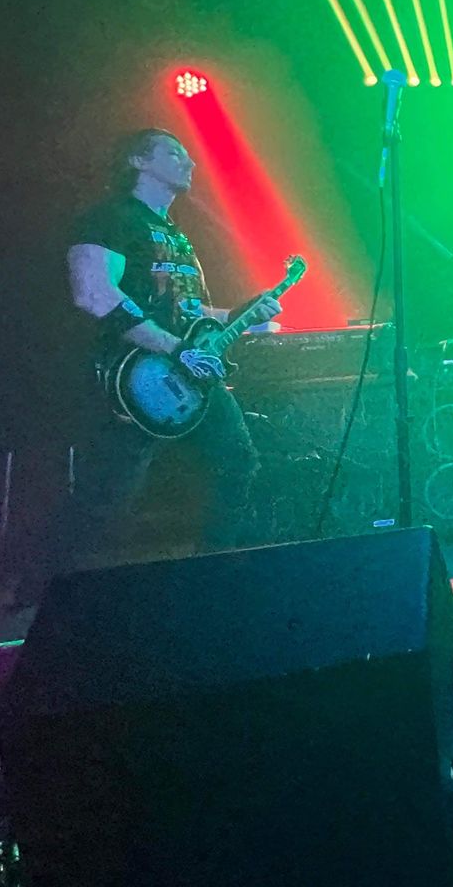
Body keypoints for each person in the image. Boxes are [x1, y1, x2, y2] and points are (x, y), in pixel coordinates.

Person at [22, 129, 281, 601]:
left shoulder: (178, 237)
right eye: (174, 153)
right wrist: (173, 349)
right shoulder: (110, 217)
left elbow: (190, 313)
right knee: (105, 494)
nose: (190, 162)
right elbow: (93, 292)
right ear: (139, 161)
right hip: (130, 377)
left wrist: (244, 315)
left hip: (187, 375)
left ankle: (211, 575)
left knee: (237, 461)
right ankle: (37, 593)